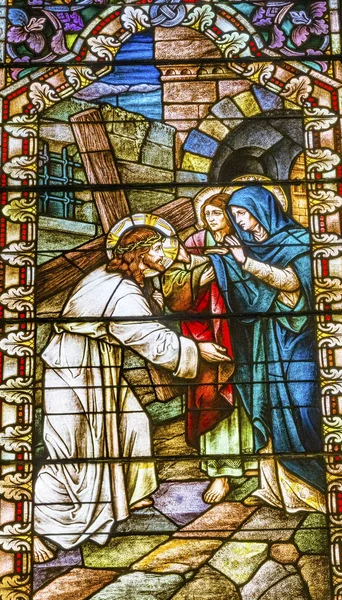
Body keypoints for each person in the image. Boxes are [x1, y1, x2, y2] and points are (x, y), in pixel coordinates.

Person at [33, 226, 231, 562]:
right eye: (157, 251)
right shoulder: (121, 289)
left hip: (98, 360)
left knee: (134, 423)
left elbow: (147, 316)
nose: (163, 257)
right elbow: (146, 335)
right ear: (137, 253)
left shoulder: (126, 280)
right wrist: (197, 351)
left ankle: (128, 492)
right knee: (73, 451)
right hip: (75, 364)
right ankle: (38, 527)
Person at [210, 186, 326, 513]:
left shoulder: (296, 240)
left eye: (243, 214)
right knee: (269, 402)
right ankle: (277, 489)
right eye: (234, 216)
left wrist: (245, 262)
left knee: (303, 405)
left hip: (300, 339)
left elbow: (292, 282)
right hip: (265, 339)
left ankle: (315, 488)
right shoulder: (244, 245)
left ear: (263, 208)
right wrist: (226, 262)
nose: (240, 222)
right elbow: (237, 287)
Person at [162, 193, 256, 504]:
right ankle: (220, 471)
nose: (212, 218)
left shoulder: (244, 240)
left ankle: (248, 463)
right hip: (204, 333)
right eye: (208, 213)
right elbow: (172, 286)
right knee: (212, 397)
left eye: (218, 212)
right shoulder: (195, 242)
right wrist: (205, 271)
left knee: (247, 396)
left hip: (242, 331)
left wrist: (231, 264)